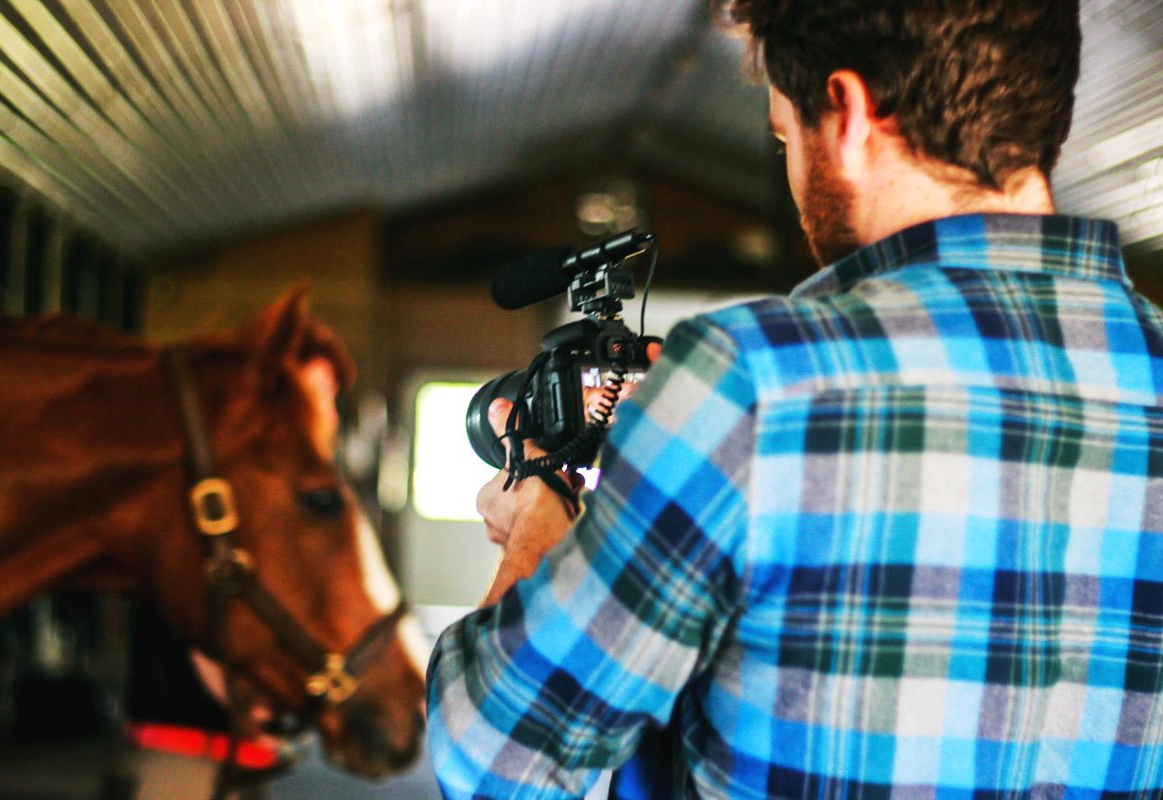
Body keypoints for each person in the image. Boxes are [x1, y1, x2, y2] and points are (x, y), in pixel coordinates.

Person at [427, 0, 1163, 797]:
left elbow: (493, 763)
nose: (789, 163)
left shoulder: (751, 381)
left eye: (785, 137)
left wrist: (536, 536)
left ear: (845, 115)